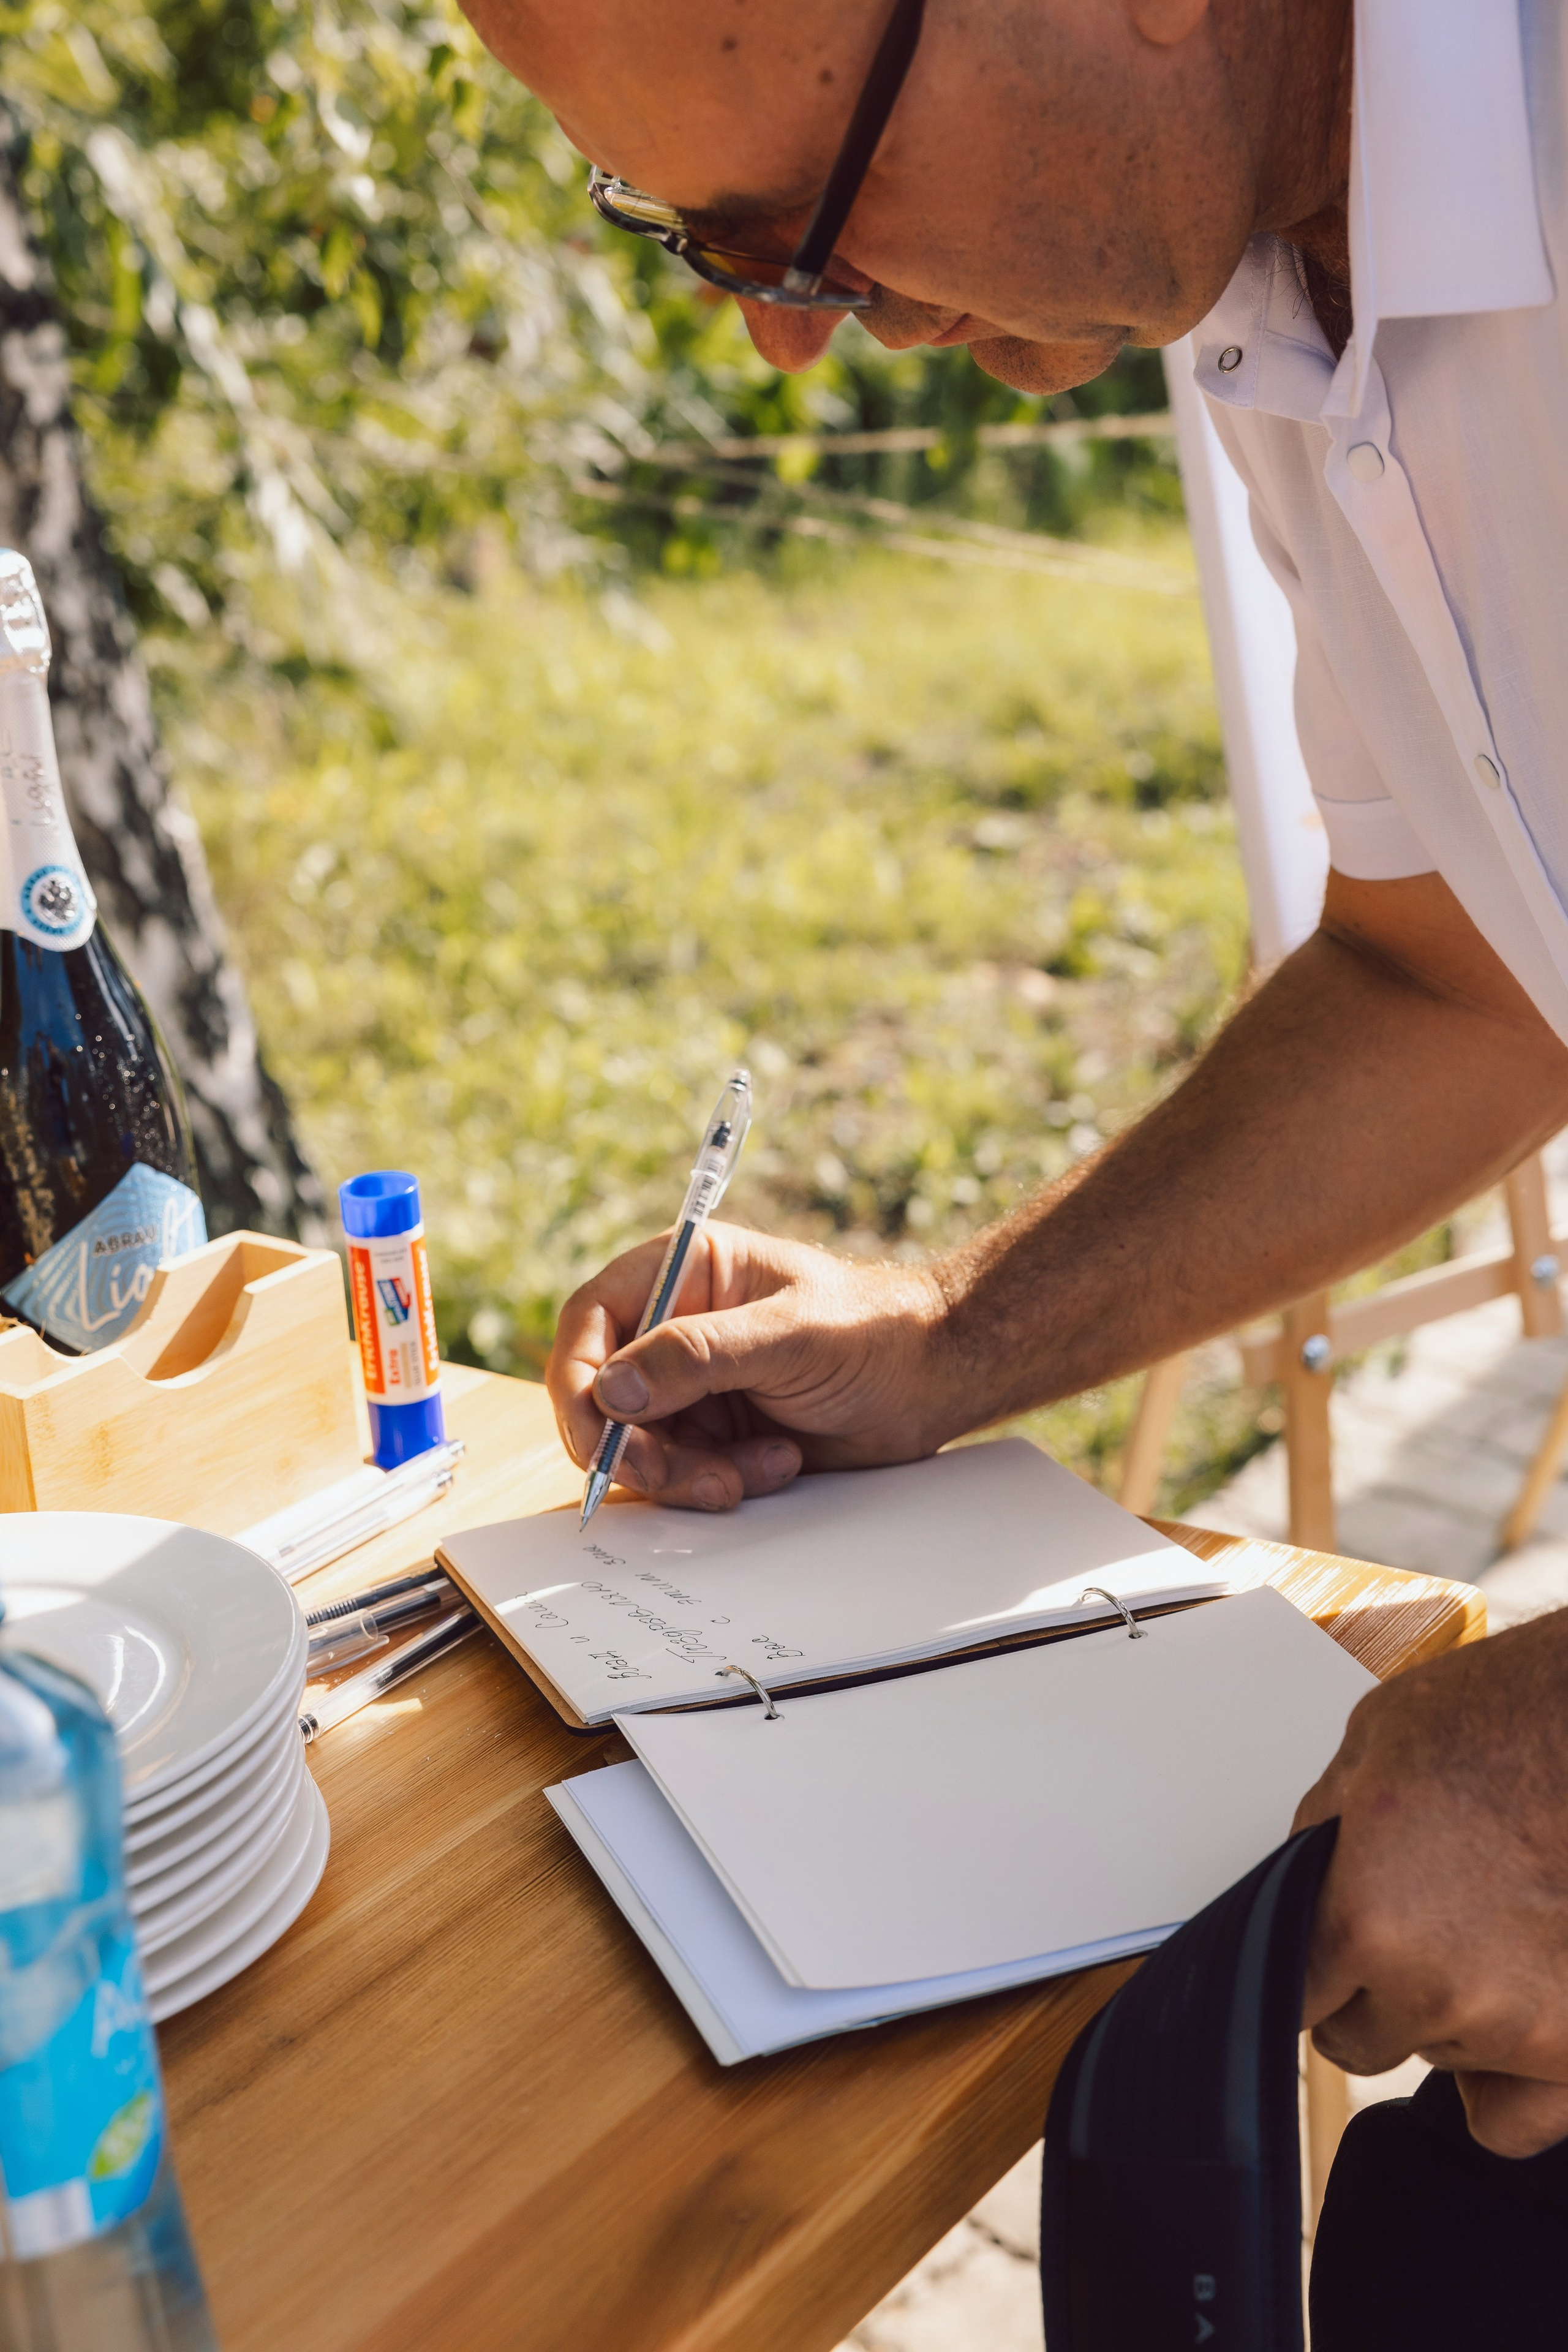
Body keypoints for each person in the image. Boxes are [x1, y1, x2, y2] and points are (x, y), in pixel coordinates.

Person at [461, 0, 1568, 2326]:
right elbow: (1455, 975)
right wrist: (960, 1336)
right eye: (683, 242)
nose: (773, 338)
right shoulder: (1273, 272)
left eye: (799, 222)